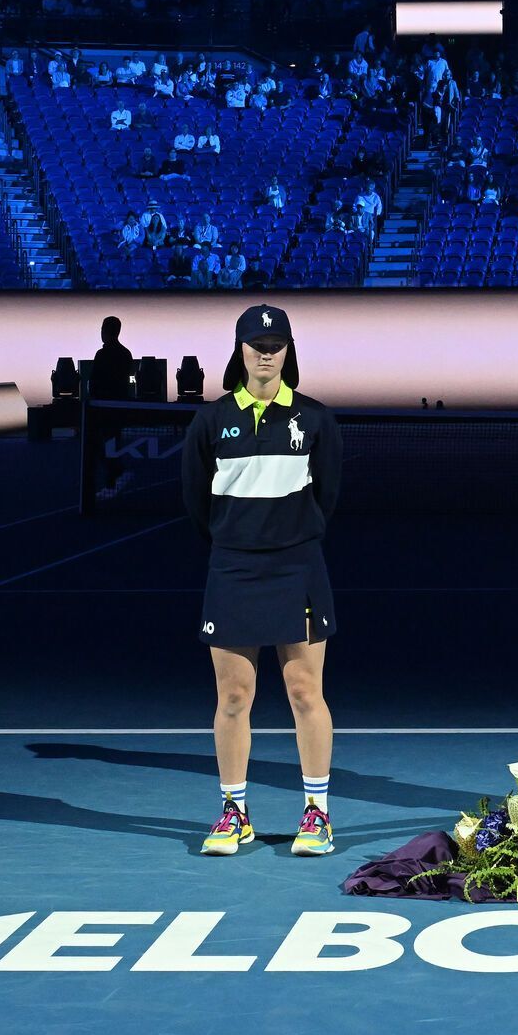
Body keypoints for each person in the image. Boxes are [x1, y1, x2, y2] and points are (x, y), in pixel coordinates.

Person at [180, 305, 343, 859]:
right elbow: (196, 503)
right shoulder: (211, 421)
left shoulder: (316, 420)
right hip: (232, 568)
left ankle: (317, 814)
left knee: (304, 692)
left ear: (289, 350)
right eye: (256, 343)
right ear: (240, 349)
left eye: (275, 343)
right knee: (233, 696)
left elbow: (328, 497)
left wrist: (287, 537)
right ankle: (234, 813)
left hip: (297, 567)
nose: (266, 352)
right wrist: (239, 540)